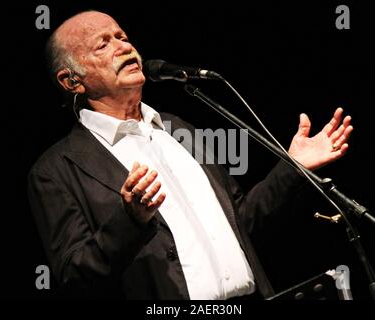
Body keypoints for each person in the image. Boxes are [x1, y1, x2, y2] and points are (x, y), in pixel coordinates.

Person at [28, 10, 353, 300]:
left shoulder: (178, 128)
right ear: (71, 81)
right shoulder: (57, 169)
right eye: (103, 44)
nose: (124, 47)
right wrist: (130, 220)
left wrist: (292, 168)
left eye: (122, 37)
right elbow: (75, 277)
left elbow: (241, 223)